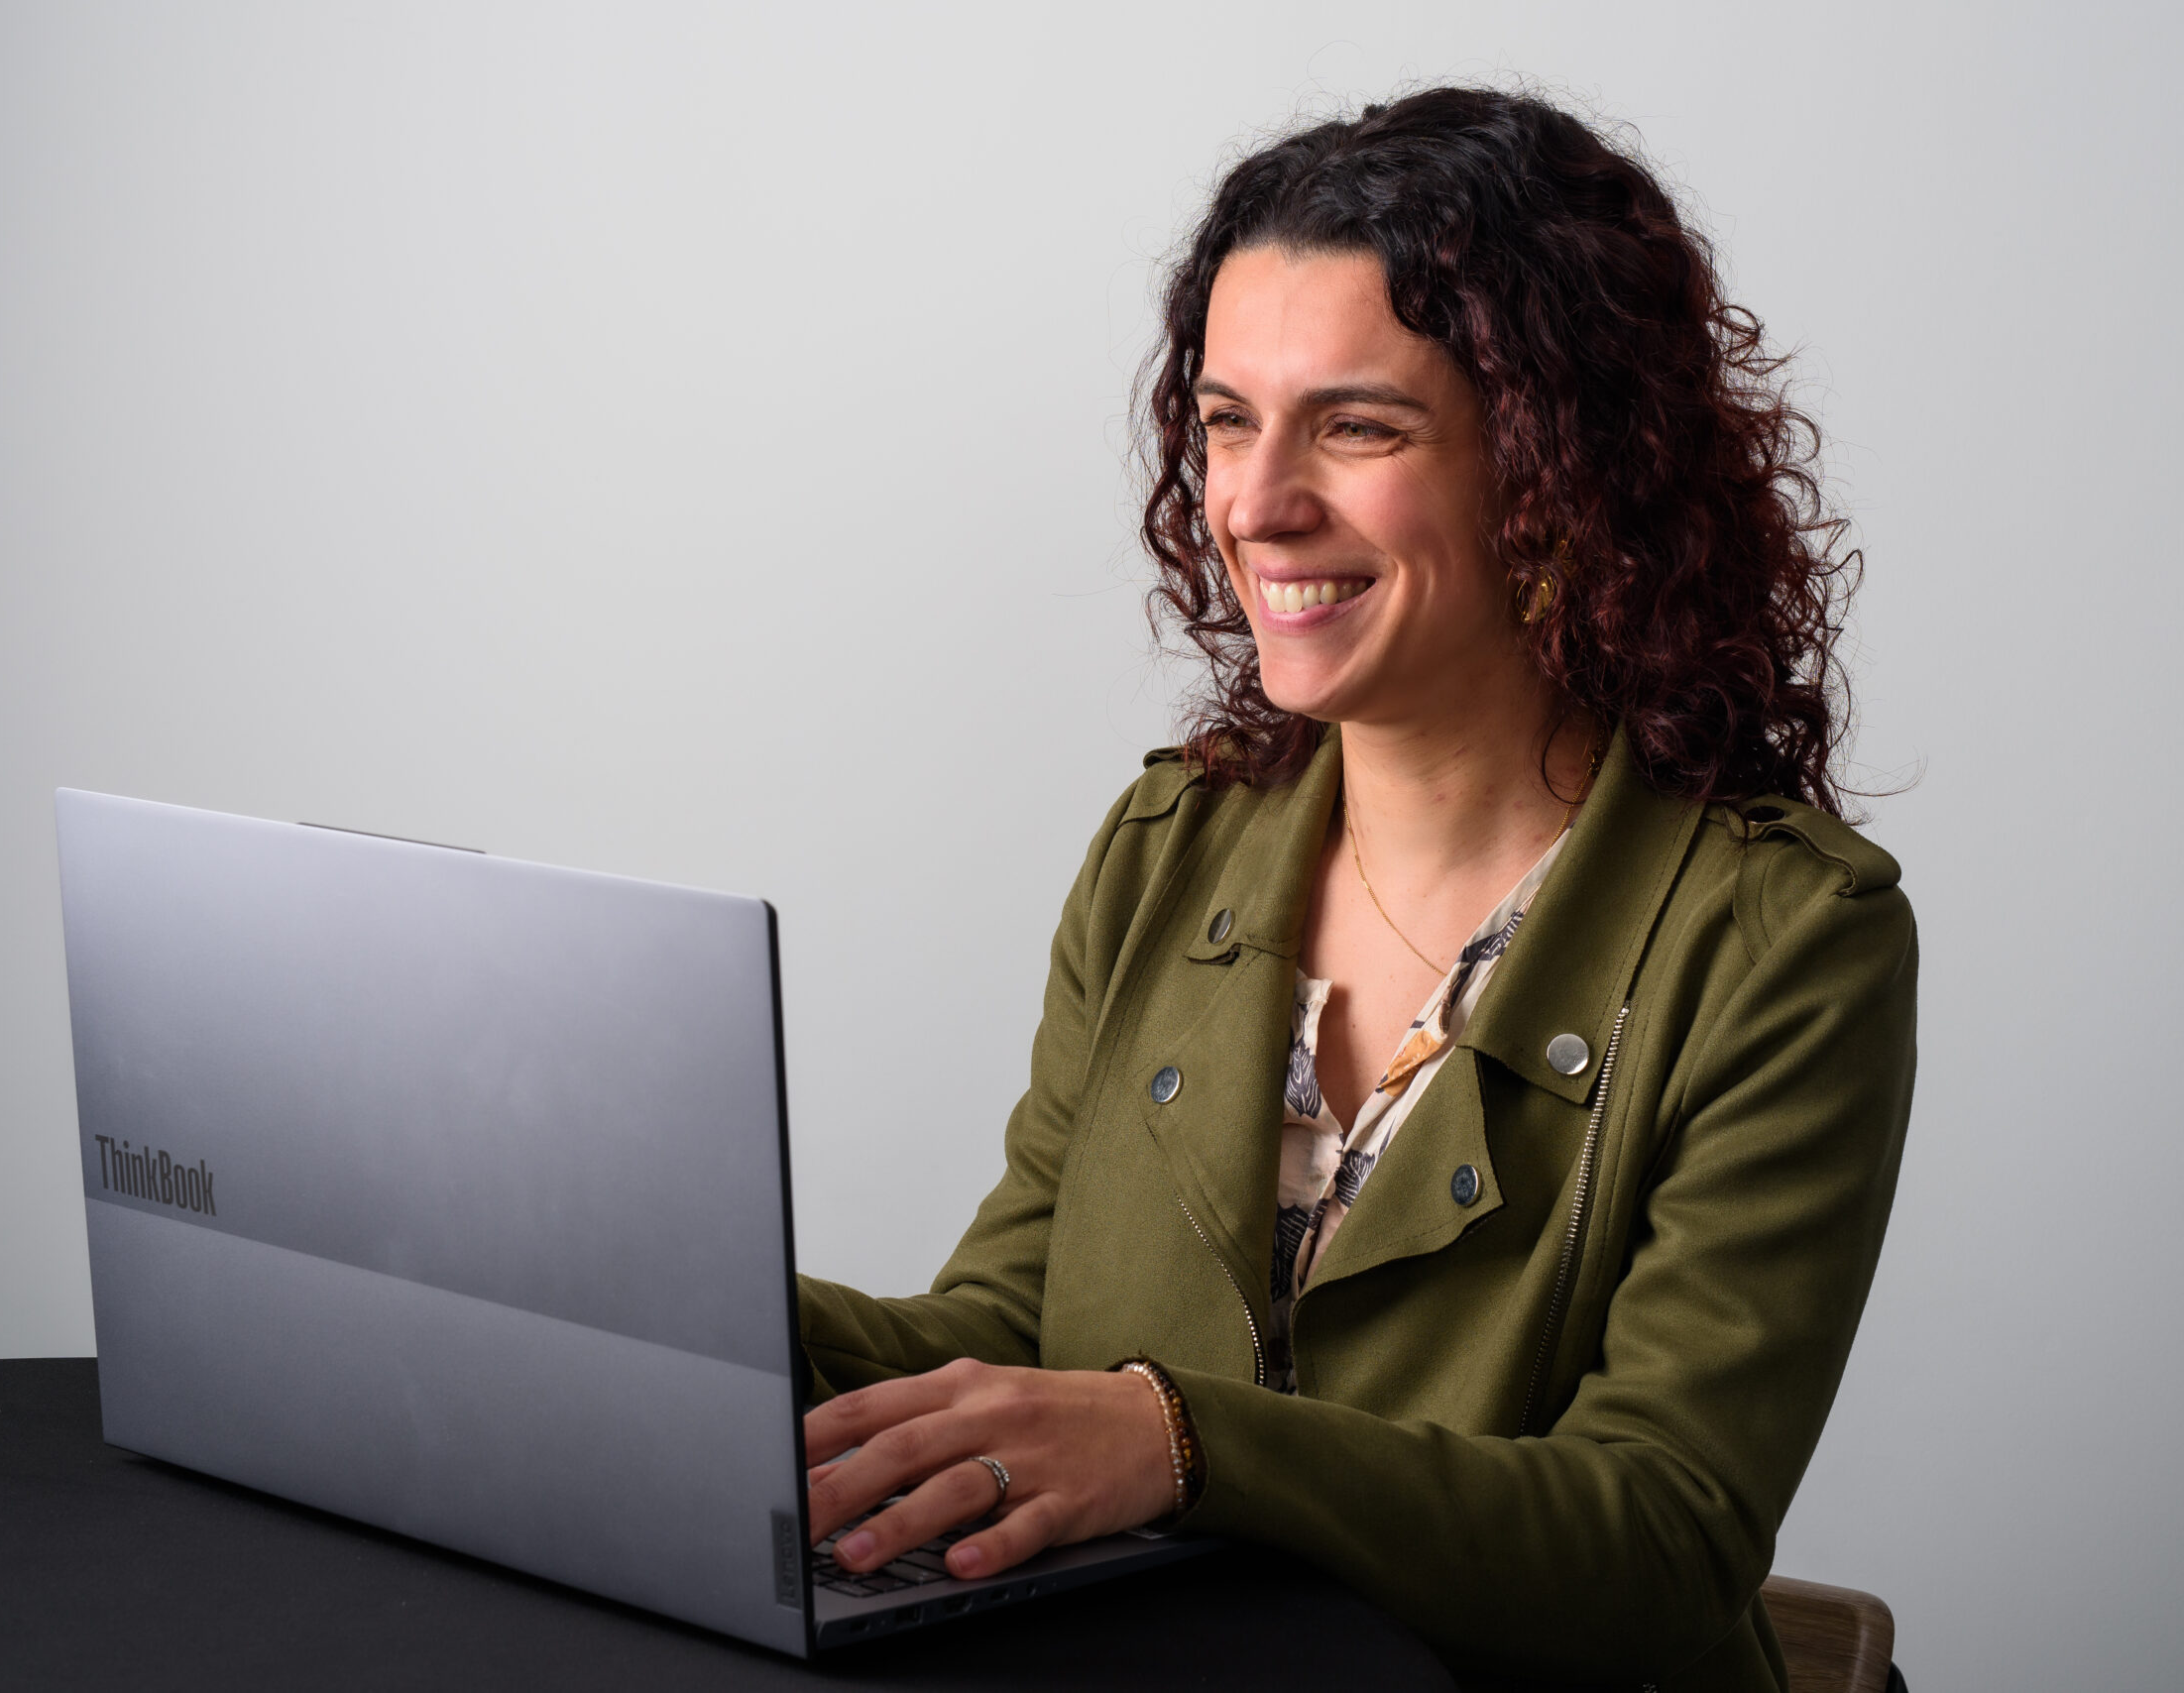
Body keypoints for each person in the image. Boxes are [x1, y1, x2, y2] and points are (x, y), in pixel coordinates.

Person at [793, 86, 1917, 1693]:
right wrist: (684, 1311)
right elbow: (1006, 1335)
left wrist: (1184, 1443)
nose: (1256, 503)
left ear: (1563, 467)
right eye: (1227, 419)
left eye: (1358, 427)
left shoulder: (1785, 941)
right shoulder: (1165, 848)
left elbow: (1661, 1541)